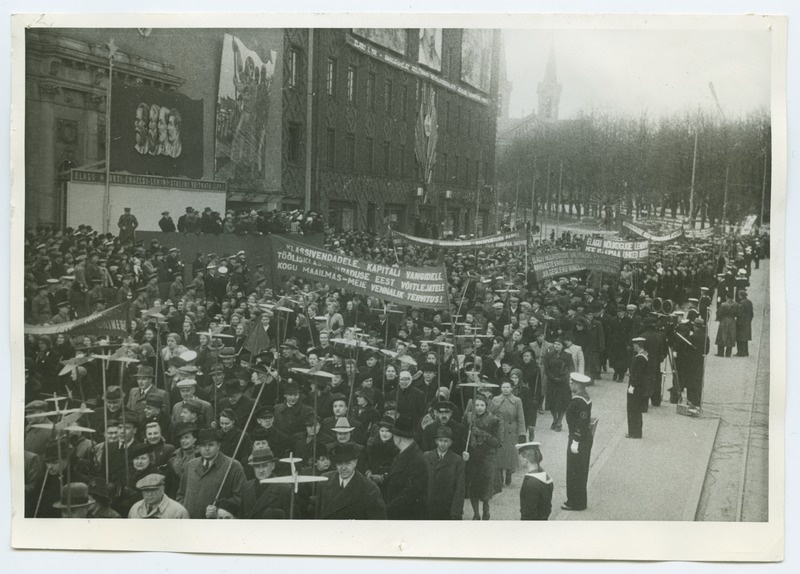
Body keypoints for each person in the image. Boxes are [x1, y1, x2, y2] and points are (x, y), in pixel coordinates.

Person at [177, 428, 246, 519]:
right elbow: (181, 494)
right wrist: (184, 510)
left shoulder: (233, 466)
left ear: (219, 445)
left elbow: (241, 497)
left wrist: (219, 510)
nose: (207, 449)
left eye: (211, 445)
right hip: (190, 523)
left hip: (216, 525)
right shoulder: (190, 465)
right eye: (203, 445)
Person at [315, 442, 387, 520]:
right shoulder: (324, 480)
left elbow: (378, 523)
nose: (343, 468)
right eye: (339, 463)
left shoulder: (369, 488)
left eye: (347, 463)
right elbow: (318, 515)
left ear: (355, 462)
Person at [463, 393, 501, 520]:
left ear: (486, 406)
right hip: (472, 456)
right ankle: (476, 513)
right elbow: (463, 436)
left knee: (485, 485)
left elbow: (497, 442)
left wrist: (481, 433)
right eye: (477, 405)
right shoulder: (468, 418)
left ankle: (486, 507)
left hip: (487, 456)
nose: (479, 408)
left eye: (482, 405)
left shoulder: (494, 420)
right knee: (472, 485)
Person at [384, 416, 428, 520]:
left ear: (398, 438)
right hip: (399, 513)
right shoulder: (403, 454)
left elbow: (410, 493)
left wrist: (386, 509)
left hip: (408, 516)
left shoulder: (417, 460)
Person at [562, 373, 593, 512]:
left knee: (575, 470)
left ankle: (575, 502)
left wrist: (576, 440)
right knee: (579, 470)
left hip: (578, 439)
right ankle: (578, 500)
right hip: (581, 438)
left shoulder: (579, 401)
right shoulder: (583, 398)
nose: (570, 384)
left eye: (571, 383)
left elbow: (581, 423)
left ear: (577, 385)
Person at [422, 426, 465, 520]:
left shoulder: (457, 461)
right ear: (436, 441)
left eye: (446, 441)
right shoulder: (426, 457)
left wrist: (456, 512)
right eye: (440, 440)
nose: (443, 444)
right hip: (428, 506)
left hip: (447, 507)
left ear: (451, 443)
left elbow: (460, 488)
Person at [491, 380, 527, 486]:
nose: (505, 389)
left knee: (511, 454)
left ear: (512, 388)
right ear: (500, 388)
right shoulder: (496, 399)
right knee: (500, 453)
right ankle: (500, 475)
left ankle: (509, 473)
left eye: (507, 387)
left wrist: (522, 433)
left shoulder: (517, 400)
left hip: (512, 430)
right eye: (503, 387)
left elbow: (521, 418)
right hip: (500, 430)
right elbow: (492, 415)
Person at [239, 448, 292, 519]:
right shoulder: (246, 487)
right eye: (257, 466)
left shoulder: (285, 489)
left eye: (264, 466)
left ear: (273, 466)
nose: (261, 470)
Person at [543, 338, 575, 432]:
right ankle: (555, 419)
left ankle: (559, 421)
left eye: (559, 344)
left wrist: (563, 378)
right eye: (555, 344)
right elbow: (546, 369)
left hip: (563, 383)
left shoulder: (567, 355)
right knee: (552, 402)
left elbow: (571, 369)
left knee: (562, 403)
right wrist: (553, 378)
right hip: (552, 382)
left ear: (562, 346)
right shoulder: (549, 355)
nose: (556, 346)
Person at [516, 441, 553, 520]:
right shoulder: (546, 477)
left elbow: (528, 514)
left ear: (526, 459)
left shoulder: (530, 484)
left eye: (520, 457)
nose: (519, 460)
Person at [626, 337, 648, 439]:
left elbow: (637, 375)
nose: (633, 346)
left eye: (634, 344)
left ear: (638, 345)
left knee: (633, 409)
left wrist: (632, 386)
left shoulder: (639, 358)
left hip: (635, 387)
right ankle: (636, 432)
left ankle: (634, 432)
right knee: (636, 410)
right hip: (640, 387)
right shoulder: (644, 355)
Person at [715, 293, 739, 357]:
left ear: (726, 297)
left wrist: (720, 318)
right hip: (732, 321)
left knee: (721, 335)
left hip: (724, 320)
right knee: (731, 336)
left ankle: (720, 353)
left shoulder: (723, 304)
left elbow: (718, 313)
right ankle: (728, 353)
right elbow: (738, 313)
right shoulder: (736, 305)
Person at [736, 291, 754, 357]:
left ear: (741, 296)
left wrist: (738, 322)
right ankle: (746, 352)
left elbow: (740, 314)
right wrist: (749, 320)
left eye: (739, 295)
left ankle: (740, 352)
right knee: (745, 338)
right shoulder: (749, 302)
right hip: (747, 322)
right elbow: (752, 314)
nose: (738, 296)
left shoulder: (741, 303)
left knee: (740, 338)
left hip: (741, 322)